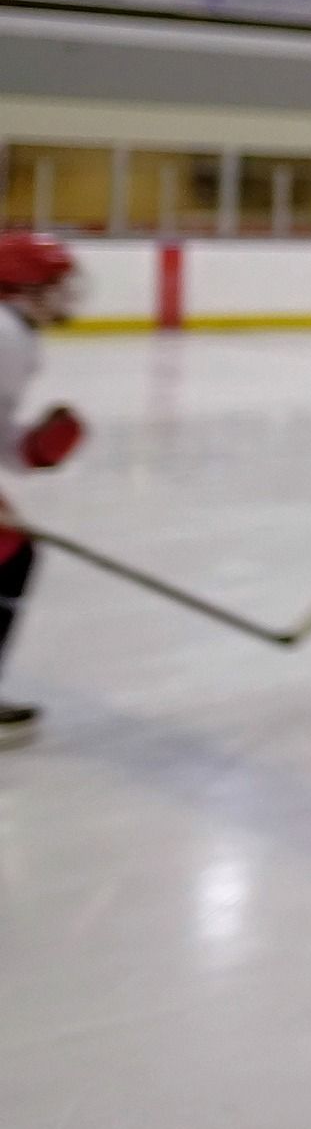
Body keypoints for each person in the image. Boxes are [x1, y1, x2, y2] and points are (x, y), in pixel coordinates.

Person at [0, 234, 86, 751]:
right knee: (11, 556)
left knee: (13, 554)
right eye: (55, 286)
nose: (65, 296)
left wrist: (31, 448)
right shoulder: (4, 333)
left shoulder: (16, 333)